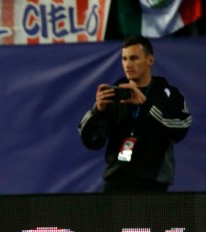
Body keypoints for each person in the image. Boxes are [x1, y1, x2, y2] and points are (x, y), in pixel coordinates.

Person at [78, 35, 191, 192]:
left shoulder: (168, 93)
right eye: (124, 59)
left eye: (134, 58)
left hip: (153, 180)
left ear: (150, 60)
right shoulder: (114, 94)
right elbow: (93, 142)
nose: (128, 64)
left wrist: (146, 105)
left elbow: (179, 130)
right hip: (116, 178)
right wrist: (98, 111)